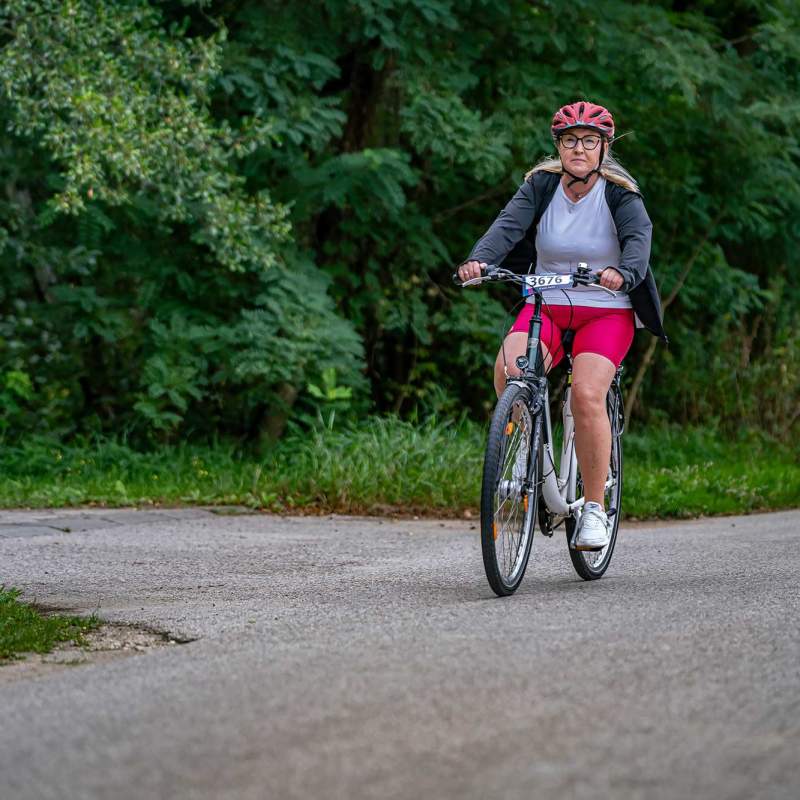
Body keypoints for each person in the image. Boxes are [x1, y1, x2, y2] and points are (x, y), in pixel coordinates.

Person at [457, 101, 666, 551]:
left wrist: (624, 274)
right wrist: (479, 260)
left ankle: (593, 508)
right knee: (511, 370)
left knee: (585, 395)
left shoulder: (620, 194)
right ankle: (520, 462)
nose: (579, 148)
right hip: (546, 305)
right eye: (570, 140)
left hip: (605, 309)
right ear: (559, 146)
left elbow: (637, 244)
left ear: (603, 148)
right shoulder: (540, 186)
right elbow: (506, 228)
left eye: (589, 141)